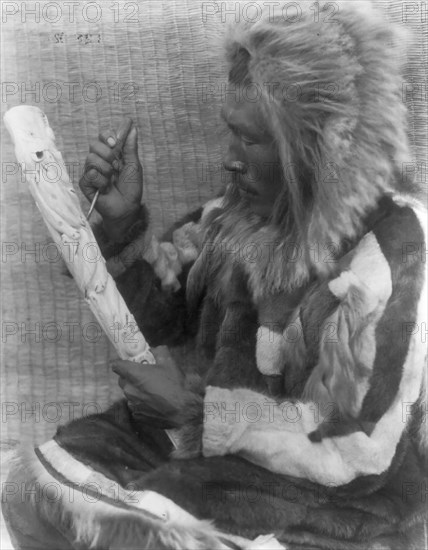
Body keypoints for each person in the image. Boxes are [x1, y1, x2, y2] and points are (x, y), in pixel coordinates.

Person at [3, 2, 427, 549]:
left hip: (326, 499)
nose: (230, 158)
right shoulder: (234, 217)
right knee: (32, 486)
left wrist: (190, 410)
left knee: (135, 533)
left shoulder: (392, 256)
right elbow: (155, 322)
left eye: (249, 140)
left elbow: (355, 448)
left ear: (319, 147)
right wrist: (122, 222)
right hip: (201, 455)